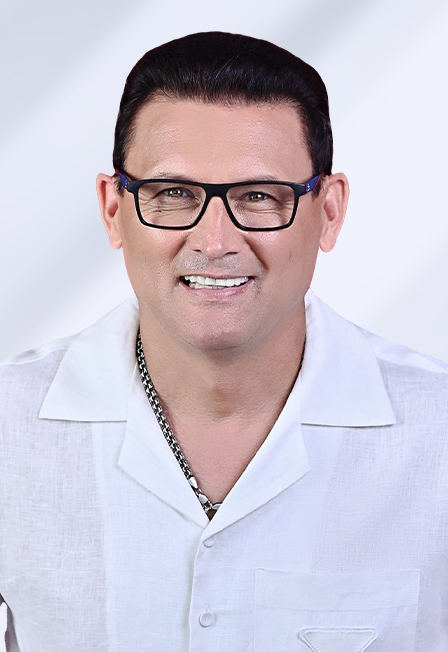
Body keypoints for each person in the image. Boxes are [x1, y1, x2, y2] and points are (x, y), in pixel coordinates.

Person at [0, 31, 447, 652]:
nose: (214, 243)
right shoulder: (10, 425)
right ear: (112, 209)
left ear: (330, 211)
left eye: (259, 196)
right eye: (173, 193)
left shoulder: (437, 434)